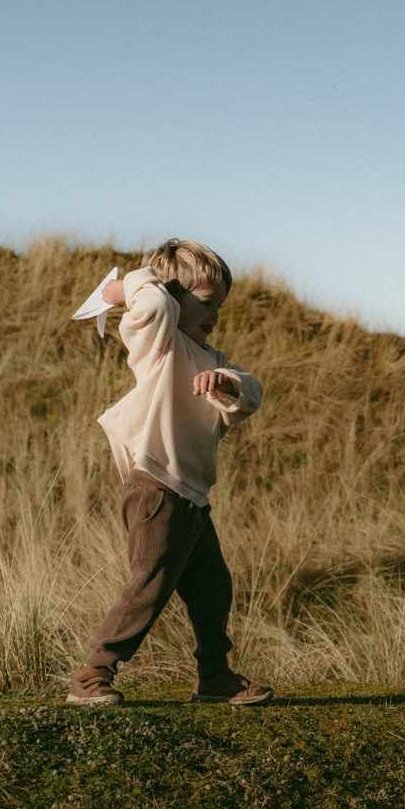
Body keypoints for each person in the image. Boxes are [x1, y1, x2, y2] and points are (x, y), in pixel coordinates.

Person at [66, 239, 272, 707]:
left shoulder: (213, 358)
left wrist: (227, 384)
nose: (215, 314)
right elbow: (154, 304)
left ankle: (214, 677)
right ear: (173, 297)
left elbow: (253, 392)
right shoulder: (158, 343)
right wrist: (125, 288)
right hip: (156, 486)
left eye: (220, 305)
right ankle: (93, 672)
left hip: (193, 496)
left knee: (213, 589)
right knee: (150, 583)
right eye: (207, 302)